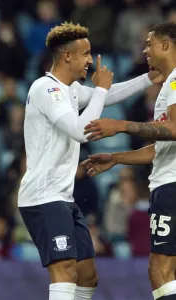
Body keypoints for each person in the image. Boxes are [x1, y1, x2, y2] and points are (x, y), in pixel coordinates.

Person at [18, 21, 161, 300]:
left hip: (62, 197)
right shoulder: (44, 89)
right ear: (67, 55)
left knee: (87, 276)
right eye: (85, 54)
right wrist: (101, 90)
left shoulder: (69, 90)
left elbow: (106, 97)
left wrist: (147, 80)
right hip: (42, 197)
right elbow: (81, 131)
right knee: (65, 272)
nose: (89, 61)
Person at [82, 22, 176, 300]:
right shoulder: (168, 85)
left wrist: (122, 125)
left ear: (166, 45)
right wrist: (116, 157)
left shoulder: (175, 82)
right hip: (168, 181)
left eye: (149, 43)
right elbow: (161, 147)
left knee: (160, 269)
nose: (145, 49)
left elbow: (174, 130)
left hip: (172, 186)